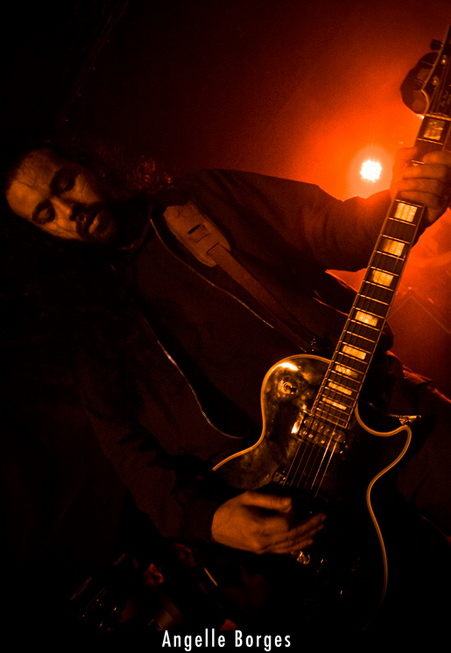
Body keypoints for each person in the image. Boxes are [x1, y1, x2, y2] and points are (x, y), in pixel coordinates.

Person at [3, 140, 451, 638]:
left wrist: (405, 200)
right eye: (46, 213)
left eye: (64, 183)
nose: (70, 211)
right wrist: (209, 517)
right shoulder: (86, 329)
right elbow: (127, 451)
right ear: (41, 233)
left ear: (89, 163)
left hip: (388, 416)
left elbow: (334, 229)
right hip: (293, 519)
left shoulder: (200, 199)